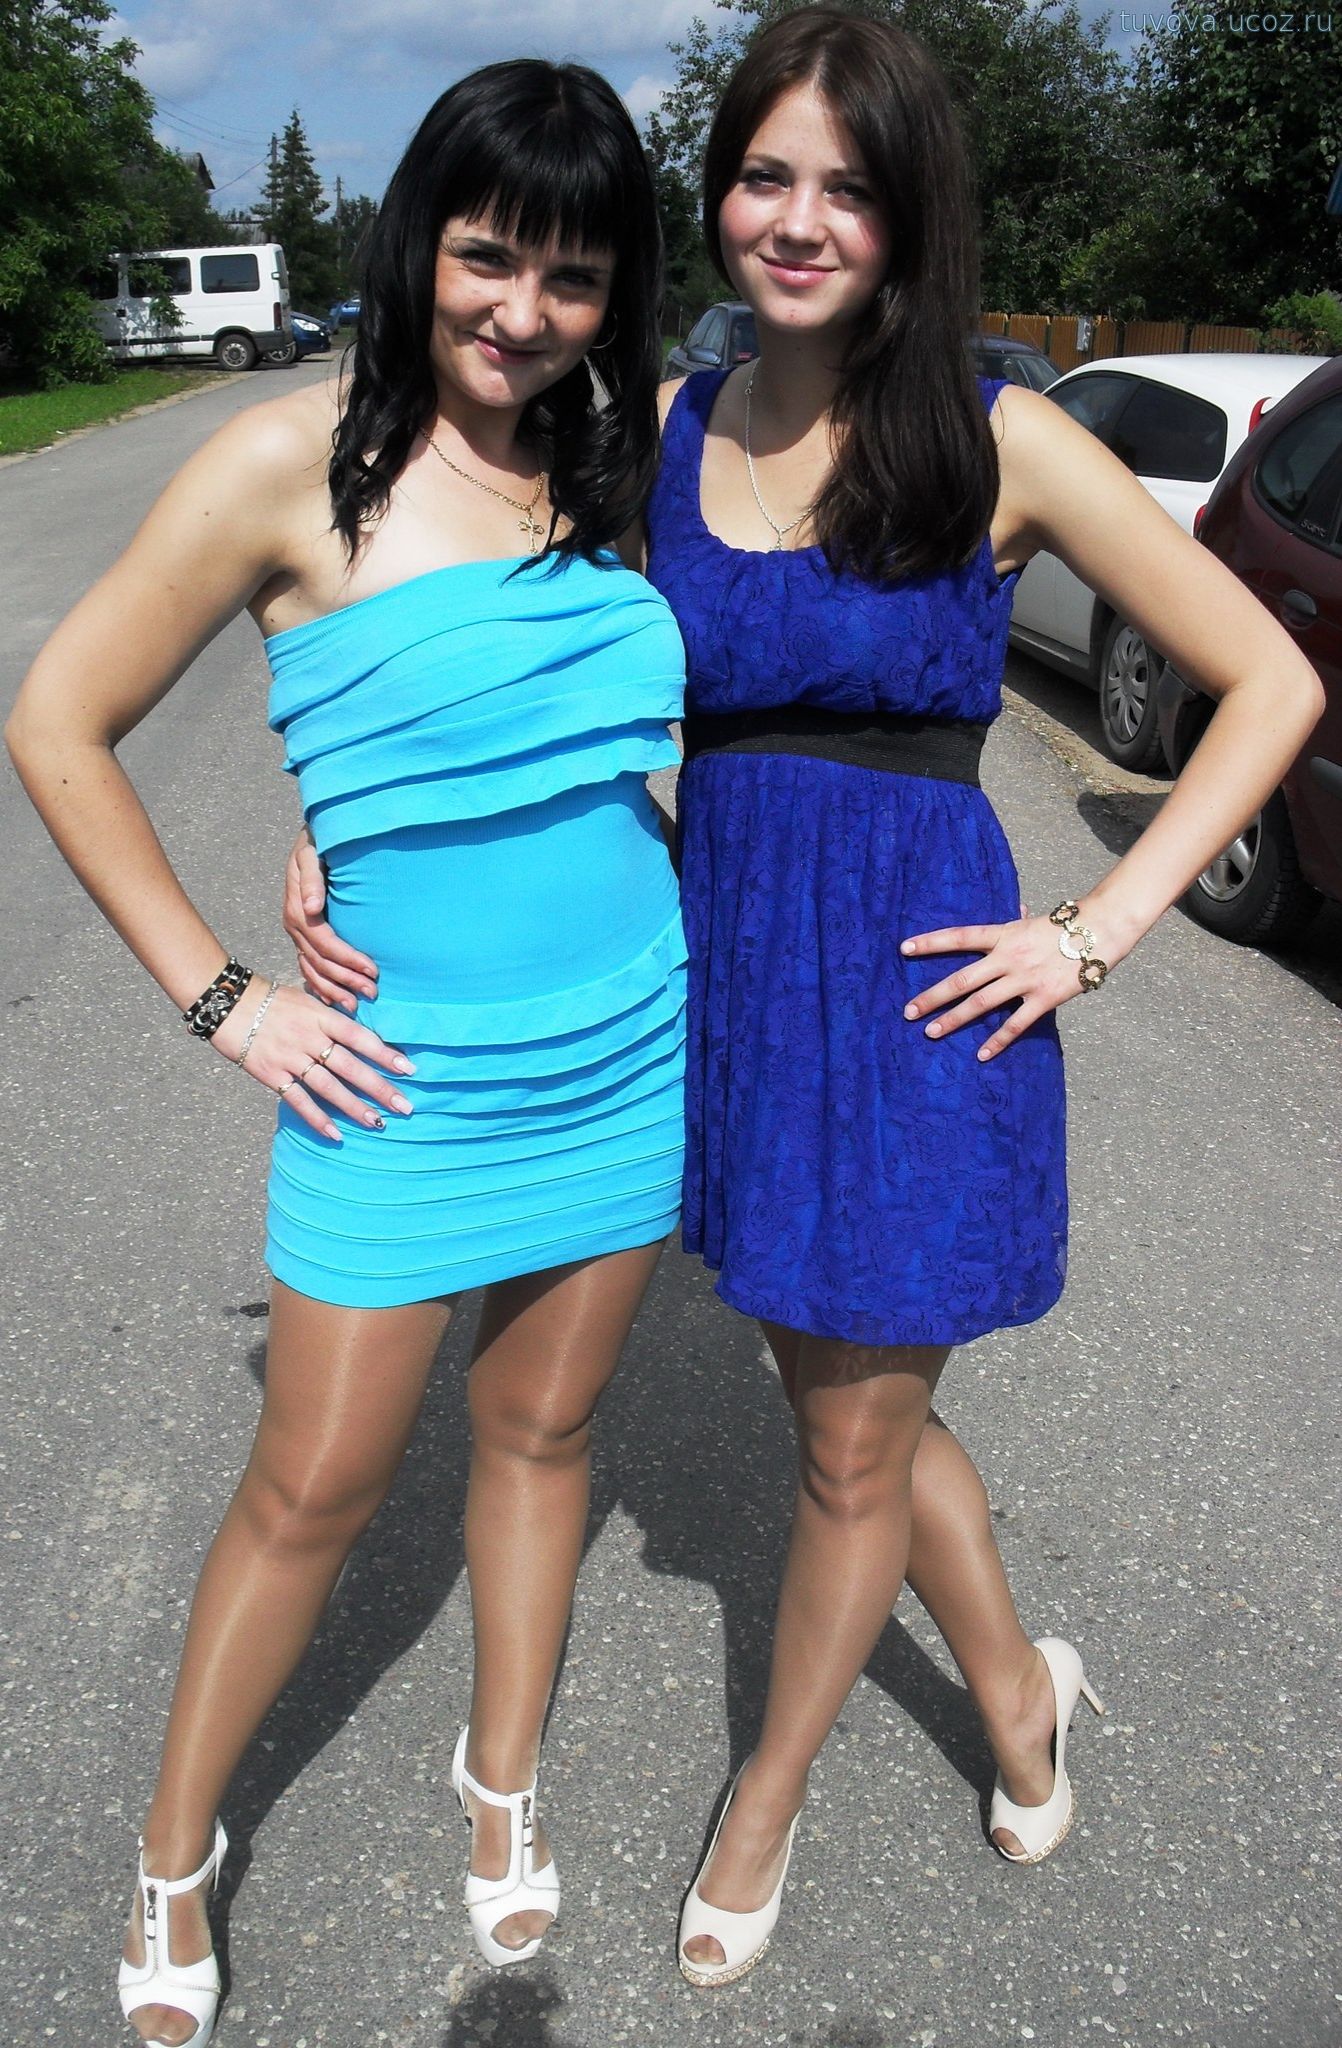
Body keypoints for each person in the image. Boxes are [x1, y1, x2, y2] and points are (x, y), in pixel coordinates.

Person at [285, 2, 1322, 1994]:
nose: (796, 217)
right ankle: (1017, 1691)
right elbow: (481, 642)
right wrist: (344, 827)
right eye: (763, 174)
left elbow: (1267, 683)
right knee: (837, 1394)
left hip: (923, 999)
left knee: (850, 1440)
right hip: (734, 982)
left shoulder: (1003, 437)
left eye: (845, 187)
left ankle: (761, 1803)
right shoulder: (655, 434)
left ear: (906, 214)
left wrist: (1091, 931)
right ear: (718, 196)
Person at [6, 59, 688, 2045]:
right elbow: (56, 723)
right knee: (310, 1480)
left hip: (623, 1043)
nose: (521, 312)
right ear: (415, 244)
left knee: (542, 1435)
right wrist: (229, 997)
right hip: (393, 1082)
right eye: (486, 257)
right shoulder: (279, 463)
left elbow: (612, 747)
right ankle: (172, 1847)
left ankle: (500, 1775)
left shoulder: (620, 461)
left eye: (572, 277)